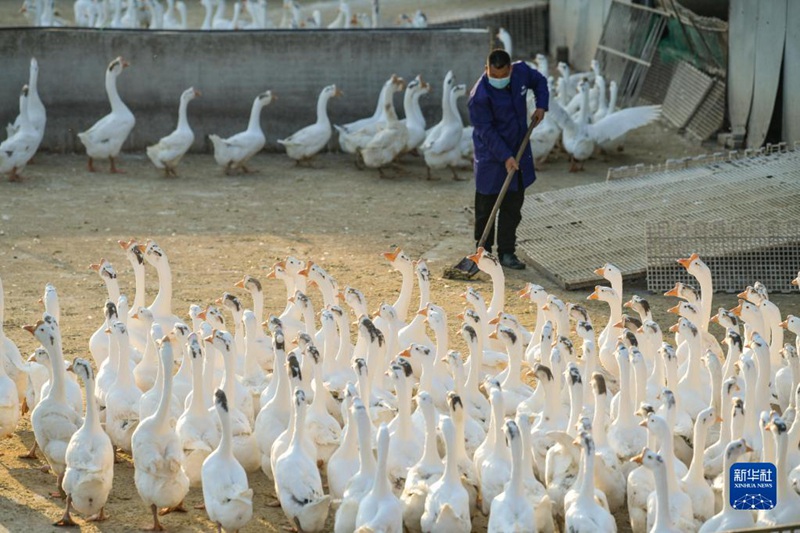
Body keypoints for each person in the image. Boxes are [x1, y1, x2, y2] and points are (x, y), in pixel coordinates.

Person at [468, 49, 548, 270]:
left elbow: (539, 80)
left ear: (510, 69)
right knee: (486, 206)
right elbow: (486, 131)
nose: (499, 81)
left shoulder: (521, 72)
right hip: (490, 156)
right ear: (487, 70)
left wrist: (541, 105)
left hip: (519, 148)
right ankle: (483, 252)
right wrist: (505, 156)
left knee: (512, 206)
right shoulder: (479, 97)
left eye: (503, 76)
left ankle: (507, 252)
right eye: (495, 76)